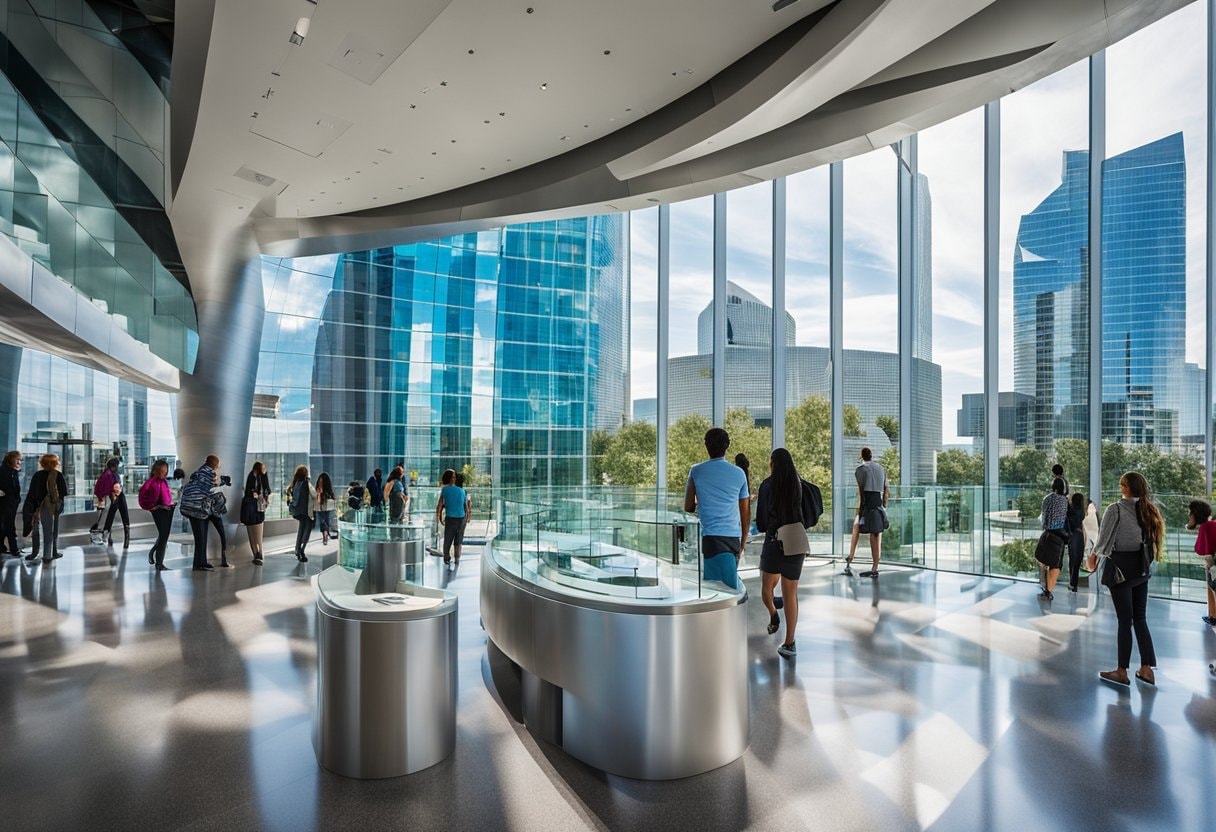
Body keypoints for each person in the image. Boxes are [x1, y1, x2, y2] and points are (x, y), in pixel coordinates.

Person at [1088, 471, 1163, 687]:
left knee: (1124, 620)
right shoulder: (1149, 509)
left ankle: (1122, 671)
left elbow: (1103, 541)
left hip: (1120, 571)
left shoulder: (1116, 509)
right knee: (1139, 618)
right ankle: (1147, 669)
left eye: (1122, 484)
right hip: (1141, 570)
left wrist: (1092, 559)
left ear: (1125, 487)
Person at [755, 448, 816, 659]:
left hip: (774, 541)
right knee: (791, 593)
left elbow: (761, 522)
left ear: (773, 464)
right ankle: (790, 643)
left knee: (766, 588)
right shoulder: (800, 484)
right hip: (796, 542)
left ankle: (774, 614)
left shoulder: (767, 485)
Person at [684, 428, 750, 590]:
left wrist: (704, 500)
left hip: (710, 538)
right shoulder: (739, 473)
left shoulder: (696, 470)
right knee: (731, 588)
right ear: (727, 446)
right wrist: (742, 543)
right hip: (732, 538)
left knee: (713, 590)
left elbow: (688, 507)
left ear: (706, 445)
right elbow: (745, 513)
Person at [844, 447, 887, 579]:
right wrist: (884, 507)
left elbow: (861, 494)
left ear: (861, 456)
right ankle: (874, 566)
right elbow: (886, 490)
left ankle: (850, 557)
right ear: (871, 455)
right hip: (878, 505)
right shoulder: (881, 469)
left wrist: (859, 510)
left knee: (856, 527)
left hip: (868, 504)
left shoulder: (860, 470)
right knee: (875, 535)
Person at [180, 456, 224, 571]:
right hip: (196, 507)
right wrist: (223, 480)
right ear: (215, 465)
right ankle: (199, 564)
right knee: (201, 537)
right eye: (218, 466)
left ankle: (202, 562)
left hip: (192, 506)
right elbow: (216, 483)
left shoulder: (199, 471)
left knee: (201, 536)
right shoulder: (209, 472)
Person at [22, 454, 67, 563]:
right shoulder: (58, 475)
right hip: (55, 505)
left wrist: (33, 507)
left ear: (42, 464)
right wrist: (60, 504)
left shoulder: (37, 475)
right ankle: (50, 554)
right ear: (56, 463)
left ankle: (35, 552)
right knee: (53, 530)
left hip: (40, 506)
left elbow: (32, 493)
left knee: (38, 530)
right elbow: (63, 492)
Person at [138, 460, 175, 571]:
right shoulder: (151, 483)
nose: (162, 473)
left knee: (164, 536)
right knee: (163, 536)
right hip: (159, 511)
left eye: (164, 471)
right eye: (160, 471)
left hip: (167, 510)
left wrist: (170, 503)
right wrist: (150, 507)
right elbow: (142, 497)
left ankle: (154, 555)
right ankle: (159, 563)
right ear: (154, 471)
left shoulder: (163, 482)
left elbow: (166, 497)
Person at [1038, 477, 1069, 600]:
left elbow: (1044, 517)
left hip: (1049, 533)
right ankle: (1049, 590)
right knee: (1056, 564)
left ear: (1053, 487)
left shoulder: (1048, 498)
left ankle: (1046, 590)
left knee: (1043, 560)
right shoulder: (1065, 501)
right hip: (1061, 535)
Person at [1187, 500, 1216, 626]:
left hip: (1213, 564)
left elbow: (1200, 549)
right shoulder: (1212, 524)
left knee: (1212, 587)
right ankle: (1213, 616)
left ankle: (1213, 616)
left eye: (1190, 513)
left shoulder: (1205, 527)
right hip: (1213, 562)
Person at [95, 458, 130, 549]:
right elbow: (110, 488)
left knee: (110, 517)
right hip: (114, 498)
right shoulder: (110, 475)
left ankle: (108, 536)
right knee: (121, 516)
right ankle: (124, 536)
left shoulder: (106, 474)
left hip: (112, 499)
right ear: (114, 466)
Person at [436, 469, 467, 567]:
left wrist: (439, 516)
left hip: (451, 518)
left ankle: (447, 557)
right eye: (453, 476)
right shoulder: (462, 491)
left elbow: (440, 505)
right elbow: (465, 506)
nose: (454, 478)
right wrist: (467, 518)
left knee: (448, 538)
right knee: (458, 540)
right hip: (461, 518)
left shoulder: (445, 490)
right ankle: (457, 558)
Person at [242, 462, 271, 564]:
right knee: (252, 532)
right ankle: (256, 554)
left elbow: (268, 490)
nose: (264, 470)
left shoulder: (262, 477)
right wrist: (256, 494)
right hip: (251, 507)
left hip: (259, 507)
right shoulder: (252, 476)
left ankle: (259, 553)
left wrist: (263, 495)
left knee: (257, 533)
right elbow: (249, 492)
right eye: (263, 468)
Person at [287, 464, 315, 562]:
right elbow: (314, 495)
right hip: (306, 512)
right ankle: (301, 550)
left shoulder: (296, 483)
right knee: (306, 532)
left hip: (299, 511)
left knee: (301, 530)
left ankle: (298, 550)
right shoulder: (305, 483)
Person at [0, 451, 22, 557]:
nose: (19, 462)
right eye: (18, 459)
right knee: (9, 526)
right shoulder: (4, 471)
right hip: (5, 503)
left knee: (6, 525)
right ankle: (14, 549)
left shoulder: (13, 472)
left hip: (11, 503)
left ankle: (2, 546)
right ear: (11, 460)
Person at [1065, 491, 1088, 593]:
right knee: (1077, 562)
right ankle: (1073, 584)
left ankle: (1072, 584)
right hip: (1079, 536)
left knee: (1072, 560)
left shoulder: (1071, 510)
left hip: (1072, 536)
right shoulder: (1081, 512)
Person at [316, 472, 337, 545]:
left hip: (323, 507)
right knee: (324, 521)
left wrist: (320, 494)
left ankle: (325, 536)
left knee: (324, 521)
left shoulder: (323, 491)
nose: (320, 483)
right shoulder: (327, 490)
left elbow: (319, 501)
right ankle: (325, 535)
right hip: (323, 508)